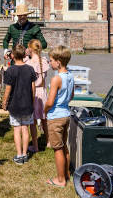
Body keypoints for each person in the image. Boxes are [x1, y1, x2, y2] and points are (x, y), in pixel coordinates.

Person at [44, 45, 75, 188]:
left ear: (59, 61)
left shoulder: (56, 79)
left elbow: (50, 102)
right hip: (66, 114)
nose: (50, 63)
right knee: (64, 147)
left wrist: (44, 110)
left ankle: (60, 179)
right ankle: (67, 174)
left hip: (55, 116)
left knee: (57, 148)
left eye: (51, 60)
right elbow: (72, 95)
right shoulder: (70, 75)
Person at [2, 44, 36, 165]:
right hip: (27, 103)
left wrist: (4, 102)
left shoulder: (10, 70)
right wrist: (32, 101)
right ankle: (25, 154)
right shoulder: (30, 69)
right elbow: (33, 88)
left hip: (14, 104)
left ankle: (19, 154)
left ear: (12, 55)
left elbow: (7, 89)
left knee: (17, 129)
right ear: (24, 55)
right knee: (25, 129)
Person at [26, 39, 50, 152]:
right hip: (43, 92)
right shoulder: (43, 61)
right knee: (44, 118)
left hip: (34, 93)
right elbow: (42, 79)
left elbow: (33, 82)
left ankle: (35, 146)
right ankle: (48, 142)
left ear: (30, 49)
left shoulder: (29, 63)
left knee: (33, 121)